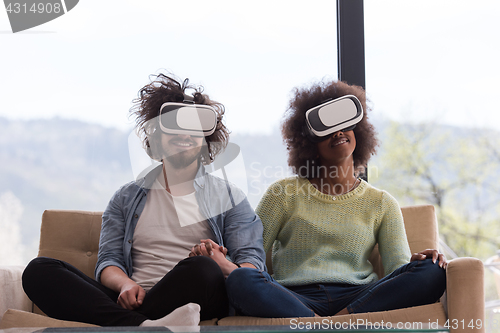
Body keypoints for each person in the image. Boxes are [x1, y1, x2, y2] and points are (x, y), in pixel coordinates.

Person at [22, 73, 266, 327]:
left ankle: (128, 326)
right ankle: (145, 326)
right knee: (39, 271)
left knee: (203, 268)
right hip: (136, 298)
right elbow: (109, 261)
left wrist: (222, 263)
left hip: (195, 295)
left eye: (193, 129)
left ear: (205, 140)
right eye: (173, 127)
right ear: (157, 137)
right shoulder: (125, 198)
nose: (185, 135)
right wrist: (126, 284)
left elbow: (251, 264)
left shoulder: (230, 197)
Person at [224, 79, 447, 317]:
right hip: (294, 297)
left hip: (360, 296)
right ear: (308, 142)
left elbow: (398, 270)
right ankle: (333, 324)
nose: (338, 132)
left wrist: (418, 263)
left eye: (343, 125)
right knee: (241, 280)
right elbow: (251, 254)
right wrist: (223, 260)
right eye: (326, 129)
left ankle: (326, 324)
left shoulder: (382, 202)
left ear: (357, 130)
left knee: (432, 271)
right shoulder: (282, 194)